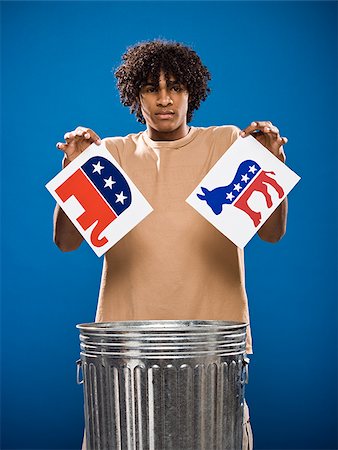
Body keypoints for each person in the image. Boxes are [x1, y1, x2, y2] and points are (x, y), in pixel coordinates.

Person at [54, 39, 288, 450]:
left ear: (191, 92)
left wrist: (272, 165)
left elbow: (271, 233)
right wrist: (74, 171)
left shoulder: (226, 145)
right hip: (127, 345)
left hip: (212, 344)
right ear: (135, 96)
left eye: (176, 87)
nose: (164, 99)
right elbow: (66, 241)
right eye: (151, 88)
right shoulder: (113, 153)